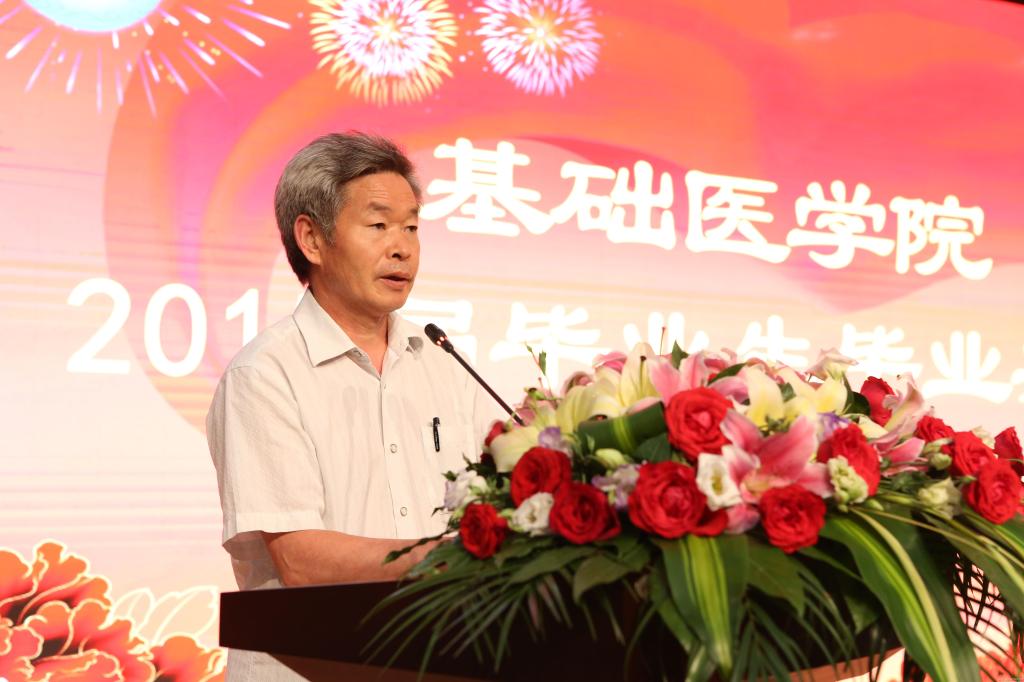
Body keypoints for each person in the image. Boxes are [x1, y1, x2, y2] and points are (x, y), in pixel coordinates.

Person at [207, 132, 499, 680]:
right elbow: (300, 558)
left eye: (411, 227)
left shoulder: (444, 363)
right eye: (379, 225)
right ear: (312, 240)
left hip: (431, 660)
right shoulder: (264, 374)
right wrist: (441, 556)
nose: (402, 248)